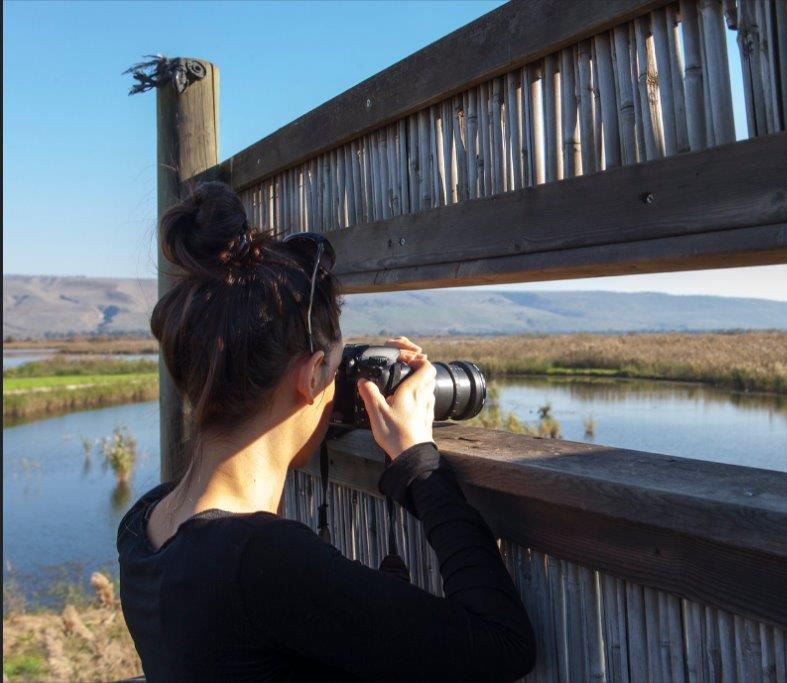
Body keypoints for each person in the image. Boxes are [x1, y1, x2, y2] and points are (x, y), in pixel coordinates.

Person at [116, 181, 536, 682]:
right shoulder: (260, 562)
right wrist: (420, 463)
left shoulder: (144, 526)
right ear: (311, 375)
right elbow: (502, 645)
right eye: (336, 368)